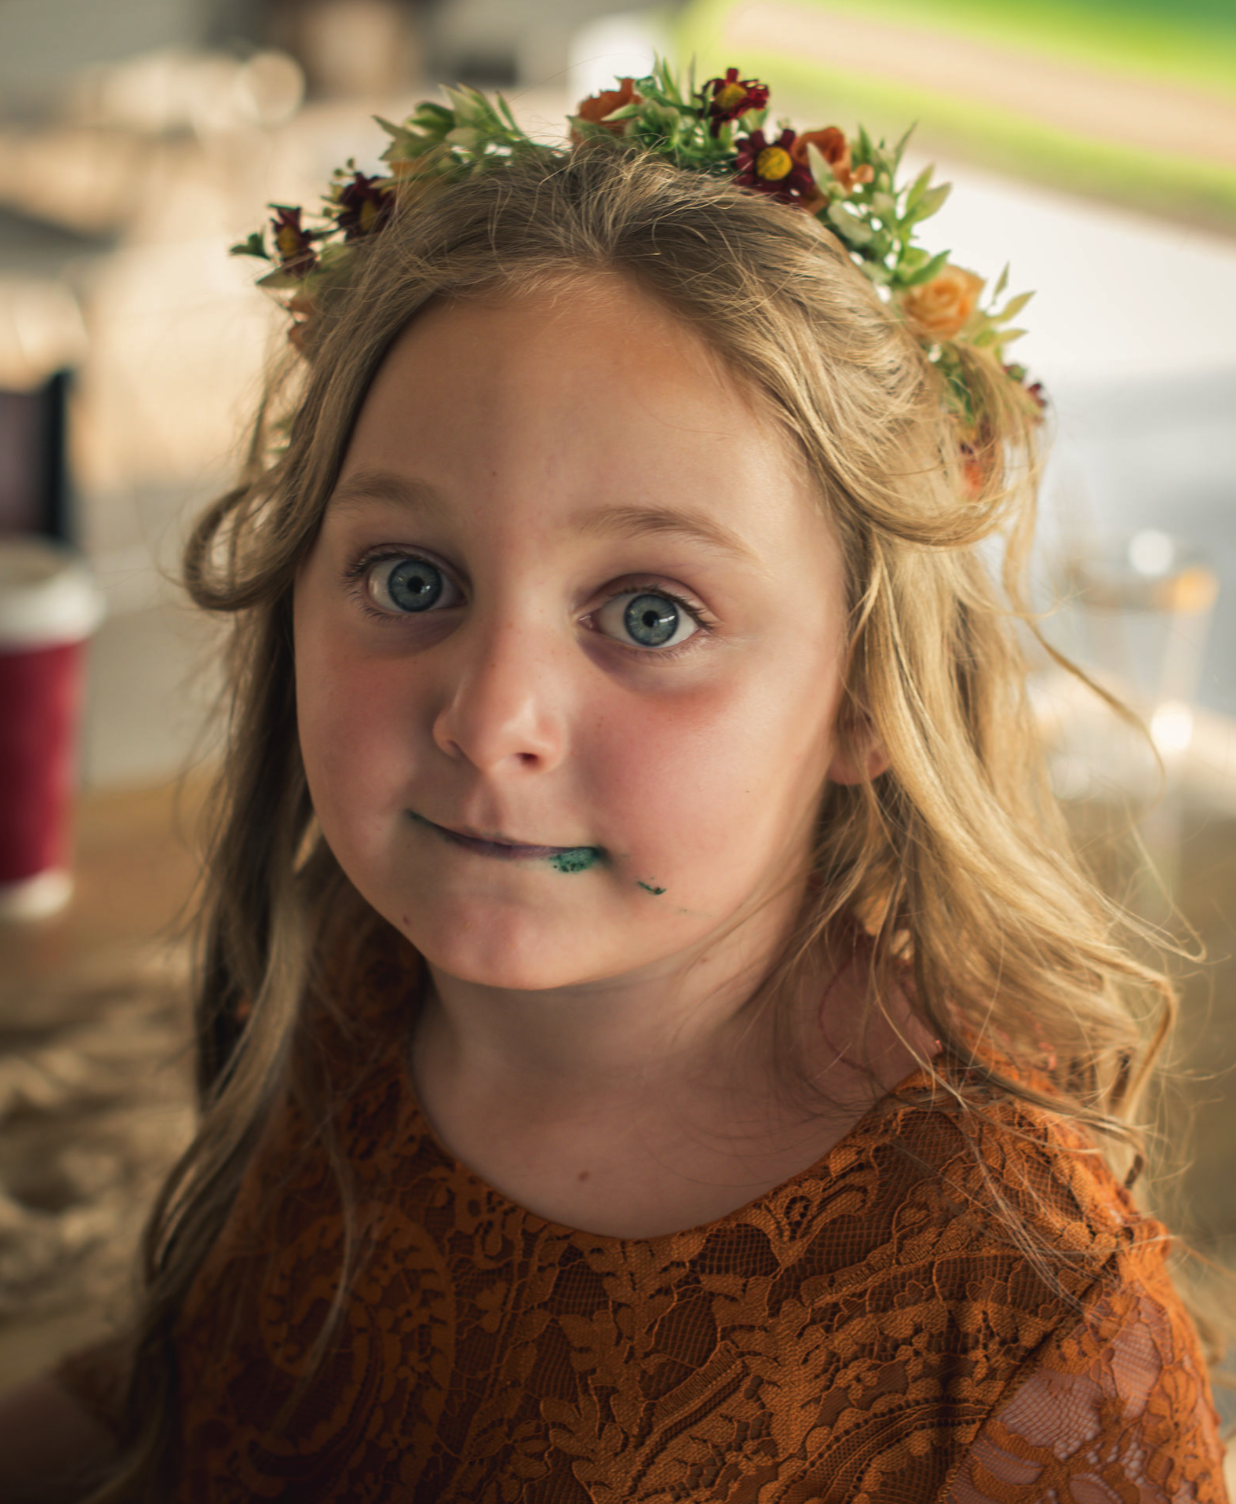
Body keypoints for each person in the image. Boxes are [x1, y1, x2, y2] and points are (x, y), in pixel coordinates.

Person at [0, 61, 1228, 1503]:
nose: (488, 720)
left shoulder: (1024, 1320)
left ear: (868, 695)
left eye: (651, 614)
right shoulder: (341, 975)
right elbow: (201, 1395)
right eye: (412, 579)